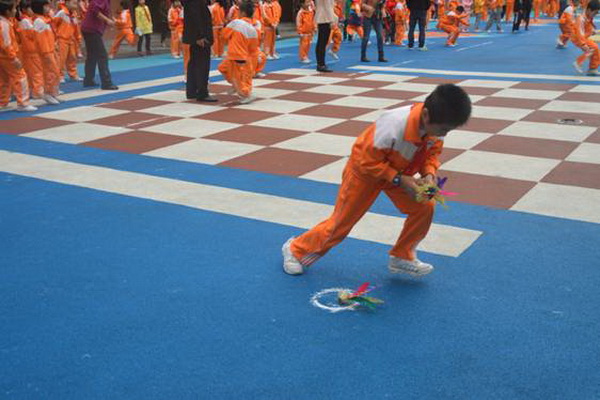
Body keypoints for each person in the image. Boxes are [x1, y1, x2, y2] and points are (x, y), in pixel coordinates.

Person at [281, 84, 472, 276]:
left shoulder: (435, 127)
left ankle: (402, 256)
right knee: (340, 225)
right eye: (444, 129)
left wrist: (429, 174)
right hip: (364, 173)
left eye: (449, 130)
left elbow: (431, 154)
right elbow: (366, 161)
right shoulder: (392, 125)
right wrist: (399, 179)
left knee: (424, 206)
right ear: (426, 115)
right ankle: (295, 249)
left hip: (399, 172)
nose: (444, 134)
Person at [0, 0, 37, 112]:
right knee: (20, 76)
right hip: (8, 57)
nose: (16, 11)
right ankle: (23, 103)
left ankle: (2, 102)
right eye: (14, 9)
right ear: (7, 11)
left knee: (4, 79)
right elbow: (7, 43)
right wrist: (13, 57)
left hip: (3, 56)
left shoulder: (4, 22)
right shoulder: (4, 24)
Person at [218, 0, 257, 103]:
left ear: (242, 12)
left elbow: (223, 35)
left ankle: (246, 95)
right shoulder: (253, 28)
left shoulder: (236, 23)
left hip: (235, 55)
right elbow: (253, 49)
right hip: (243, 55)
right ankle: (237, 87)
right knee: (223, 68)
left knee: (235, 77)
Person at [182, 0, 217, 101]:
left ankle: (192, 91)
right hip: (200, 36)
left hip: (195, 35)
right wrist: (200, 35)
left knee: (194, 63)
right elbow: (195, 17)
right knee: (202, 64)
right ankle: (202, 92)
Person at [80, 0, 117, 89]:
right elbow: (95, 9)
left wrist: (108, 21)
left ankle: (88, 80)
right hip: (92, 29)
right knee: (102, 55)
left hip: (88, 28)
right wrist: (107, 20)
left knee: (92, 55)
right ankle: (106, 82)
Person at [53, 0, 81, 82]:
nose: (76, 5)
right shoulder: (61, 13)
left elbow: (76, 28)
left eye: (76, 3)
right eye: (73, 3)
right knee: (61, 59)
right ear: (67, 3)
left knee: (72, 58)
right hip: (62, 39)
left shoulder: (74, 14)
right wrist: (55, 37)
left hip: (71, 39)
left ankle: (73, 74)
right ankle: (60, 76)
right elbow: (54, 24)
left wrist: (78, 38)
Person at [571, 0, 599, 75]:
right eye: (595, 13)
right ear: (589, 10)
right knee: (592, 48)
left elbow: (587, 27)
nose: (595, 15)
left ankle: (593, 68)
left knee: (594, 49)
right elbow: (579, 33)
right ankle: (578, 62)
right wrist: (583, 44)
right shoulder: (581, 19)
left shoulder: (588, 16)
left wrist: (593, 31)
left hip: (582, 37)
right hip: (577, 38)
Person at [314, 0, 335, 72]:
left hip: (322, 16)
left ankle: (320, 63)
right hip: (325, 18)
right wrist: (332, 20)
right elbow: (328, 7)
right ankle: (321, 64)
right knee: (322, 42)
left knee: (321, 42)